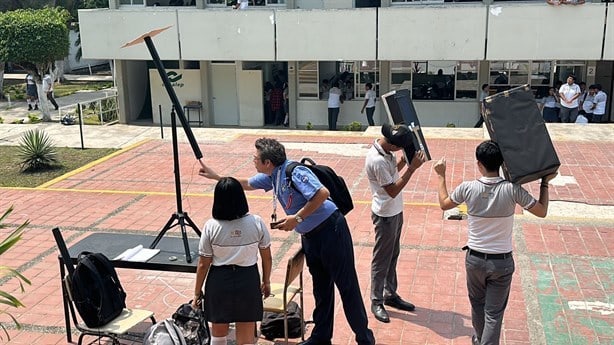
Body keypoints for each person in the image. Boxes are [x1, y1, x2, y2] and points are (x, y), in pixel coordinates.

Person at [198, 138, 376, 345]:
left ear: (267, 162)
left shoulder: (294, 172)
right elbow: (244, 184)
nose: (253, 161)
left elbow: (322, 193)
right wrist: (217, 177)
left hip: (331, 231)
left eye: (255, 158)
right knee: (321, 288)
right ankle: (321, 337)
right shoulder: (272, 175)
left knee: (347, 287)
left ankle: (364, 339)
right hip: (310, 237)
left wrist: (297, 218)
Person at [433, 140, 555, 345]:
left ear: (479, 163)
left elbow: (444, 204)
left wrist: (440, 175)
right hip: (502, 263)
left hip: (474, 260)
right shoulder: (512, 189)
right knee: (494, 314)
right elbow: (541, 211)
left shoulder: (468, 188)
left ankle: (480, 339)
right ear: (501, 163)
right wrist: (544, 183)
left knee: (477, 305)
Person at [192, 177, 272, 345]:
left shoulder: (211, 226)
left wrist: (197, 292)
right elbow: (267, 257)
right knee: (246, 337)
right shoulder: (256, 223)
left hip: (219, 281)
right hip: (248, 279)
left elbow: (203, 264)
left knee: (218, 334)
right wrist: (266, 281)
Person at [365, 124, 426, 323]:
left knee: (393, 255)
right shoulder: (377, 160)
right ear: (391, 144)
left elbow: (390, 174)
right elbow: (392, 190)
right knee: (382, 259)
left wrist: (401, 162)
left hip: (395, 211)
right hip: (385, 215)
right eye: (399, 148)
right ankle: (376, 300)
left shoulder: (386, 153)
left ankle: (390, 294)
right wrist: (411, 169)